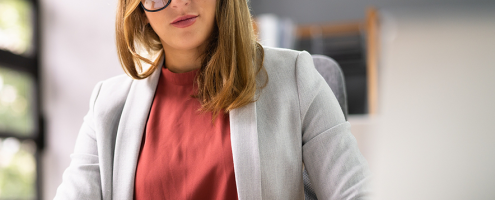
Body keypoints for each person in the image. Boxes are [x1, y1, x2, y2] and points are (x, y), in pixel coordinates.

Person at [54, 0, 370, 199]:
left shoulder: (295, 77)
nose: (178, 3)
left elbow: (355, 192)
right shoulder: (108, 105)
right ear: (137, 8)